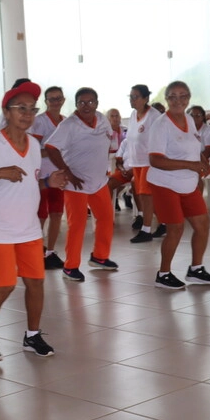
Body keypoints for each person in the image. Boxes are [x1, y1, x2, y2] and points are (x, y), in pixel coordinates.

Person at [0, 81, 67, 361]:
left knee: (36, 282)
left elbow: (28, 181)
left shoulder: (34, 144)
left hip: (28, 227)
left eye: (32, 109)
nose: (28, 114)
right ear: (6, 112)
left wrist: (48, 181)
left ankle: (32, 335)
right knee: (6, 283)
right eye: (21, 108)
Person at [146, 82, 210, 290]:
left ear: (189, 97)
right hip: (164, 183)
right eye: (173, 97)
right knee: (175, 228)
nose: (178, 101)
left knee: (202, 225)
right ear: (167, 99)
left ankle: (196, 269)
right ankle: (164, 273)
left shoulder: (188, 119)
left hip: (187, 182)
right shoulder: (160, 125)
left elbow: (194, 146)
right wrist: (190, 165)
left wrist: (203, 161)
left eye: (183, 96)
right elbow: (155, 160)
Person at [43, 86, 119, 281]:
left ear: (97, 103)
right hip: (75, 184)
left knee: (105, 218)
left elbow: (109, 142)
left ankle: (100, 257)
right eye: (82, 102)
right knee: (76, 226)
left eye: (91, 102)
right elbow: (51, 148)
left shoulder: (102, 119)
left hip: (99, 182)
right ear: (76, 104)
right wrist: (67, 172)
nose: (87, 106)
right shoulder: (69, 125)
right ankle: (70, 267)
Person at [121, 84, 162, 243]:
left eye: (135, 97)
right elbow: (130, 140)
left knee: (146, 195)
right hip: (136, 162)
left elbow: (160, 137)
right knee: (143, 194)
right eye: (130, 97)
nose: (132, 100)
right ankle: (163, 223)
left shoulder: (153, 115)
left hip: (149, 161)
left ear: (145, 98)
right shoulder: (132, 115)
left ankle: (146, 230)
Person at [33, 86, 67, 269]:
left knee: (57, 213)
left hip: (59, 174)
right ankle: (36, 250)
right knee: (40, 214)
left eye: (58, 98)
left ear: (63, 100)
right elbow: (31, 149)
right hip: (41, 175)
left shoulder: (66, 122)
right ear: (45, 102)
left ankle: (50, 252)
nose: (55, 102)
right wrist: (52, 152)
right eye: (51, 99)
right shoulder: (39, 122)